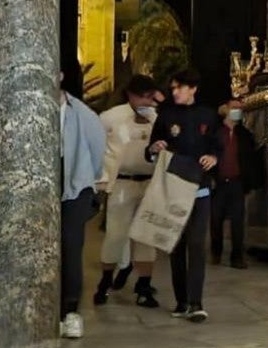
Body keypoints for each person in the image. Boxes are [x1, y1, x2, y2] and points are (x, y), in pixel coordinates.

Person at [148, 68, 221, 323]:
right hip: (173, 188)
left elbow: (217, 145)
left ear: (193, 89)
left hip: (199, 189)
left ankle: (196, 302)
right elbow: (152, 147)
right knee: (175, 245)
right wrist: (155, 147)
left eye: (180, 87)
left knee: (197, 245)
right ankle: (181, 301)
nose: (175, 92)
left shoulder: (208, 116)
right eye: (173, 88)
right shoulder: (166, 116)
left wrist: (213, 158)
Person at [94, 75, 164, 307]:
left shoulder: (158, 118)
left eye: (149, 96)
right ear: (130, 95)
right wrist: (100, 181)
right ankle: (105, 281)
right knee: (116, 234)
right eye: (141, 96)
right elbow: (97, 147)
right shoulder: (110, 117)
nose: (145, 100)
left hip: (150, 182)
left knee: (147, 235)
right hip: (123, 182)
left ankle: (143, 285)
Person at [58, 71, 106, 339]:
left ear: (60, 75)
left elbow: (98, 151)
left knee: (71, 246)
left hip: (76, 186)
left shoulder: (83, 114)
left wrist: (88, 179)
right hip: (45, 182)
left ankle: (70, 311)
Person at [211, 98, 259, 269]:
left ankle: (237, 257)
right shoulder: (215, 132)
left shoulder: (245, 134)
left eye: (240, 108)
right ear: (226, 109)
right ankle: (216, 252)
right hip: (218, 183)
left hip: (237, 183)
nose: (237, 111)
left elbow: (250, 160)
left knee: (238, 222)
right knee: (216, 219)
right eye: (234, 108)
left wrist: (250, 183)